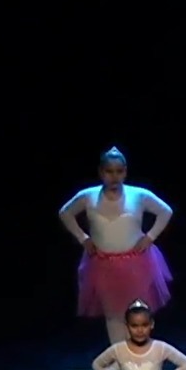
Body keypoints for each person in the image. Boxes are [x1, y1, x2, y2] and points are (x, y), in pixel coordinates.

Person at [60, 147, 175, 346]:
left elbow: (165, 211)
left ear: (125, 172)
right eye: (109, 171)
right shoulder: (88, 196)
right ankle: (121, 361)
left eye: (119, 171)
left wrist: (150, 237)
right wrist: (83, 238)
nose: (114, 177)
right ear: (101, 172)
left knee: (138, 312)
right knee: (113, 315)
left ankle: (140, 356)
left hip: (136, 264)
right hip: (103, 265)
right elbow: (65, 212)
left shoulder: (138, 195)